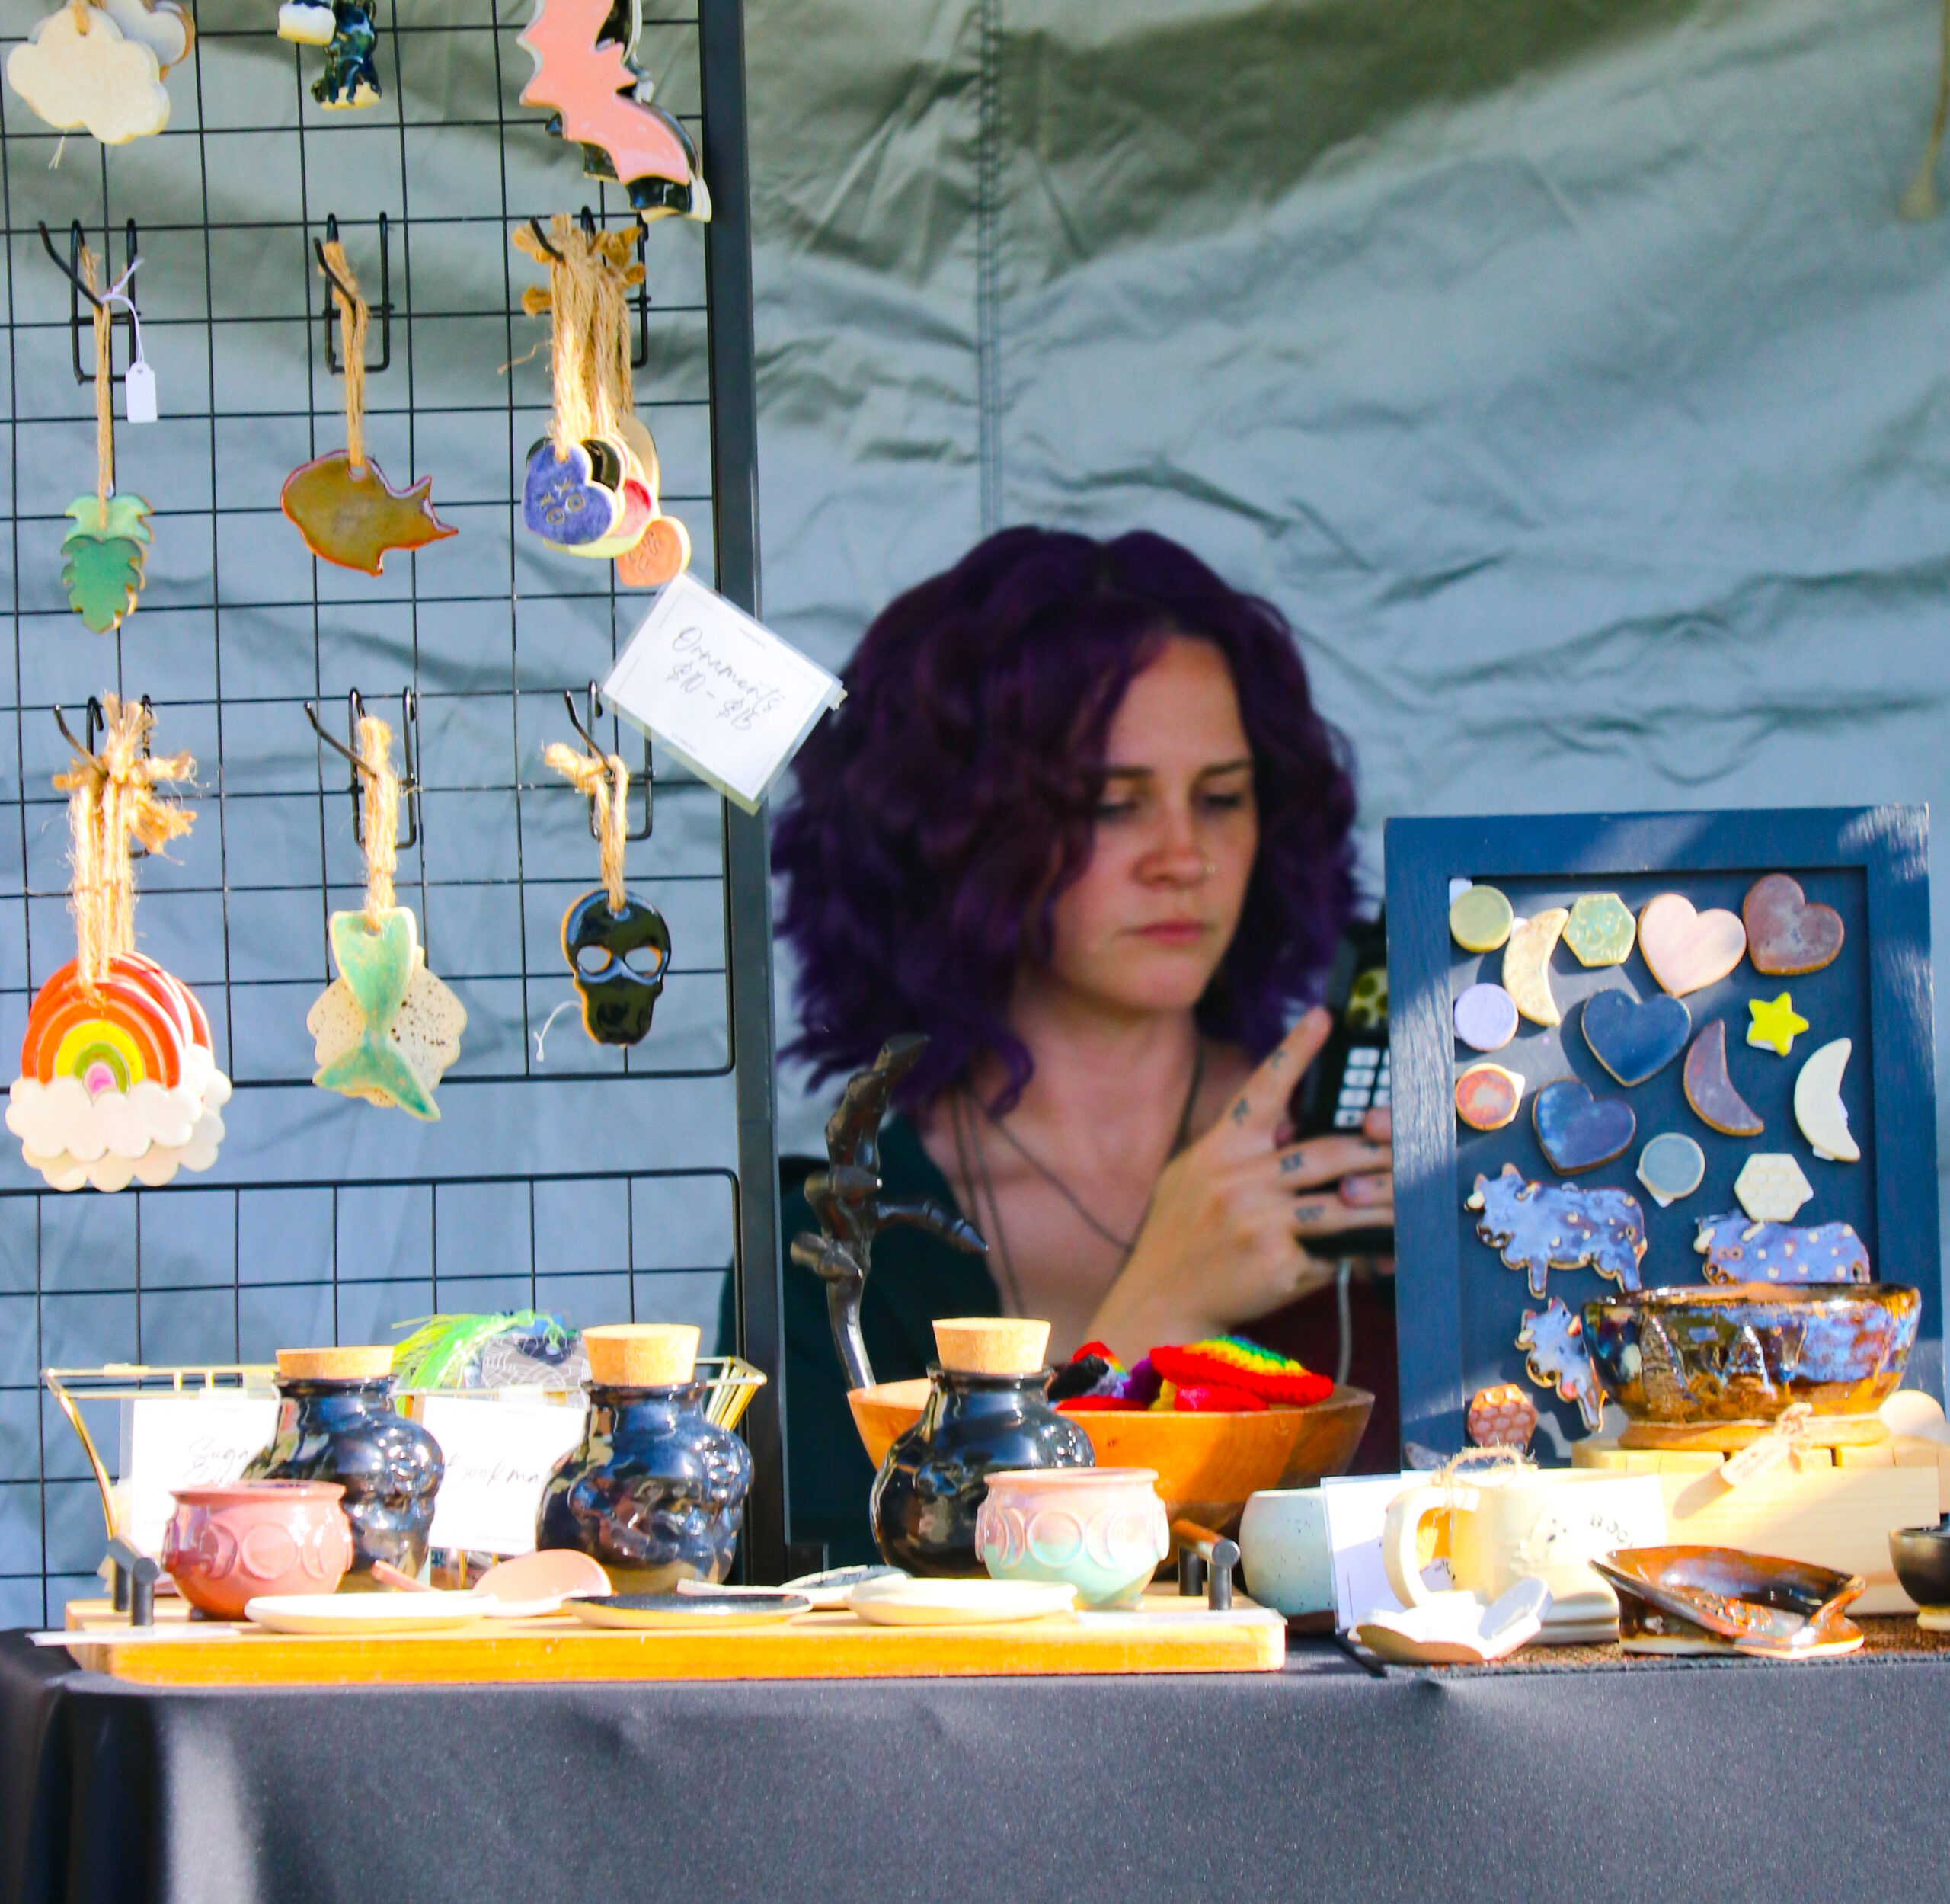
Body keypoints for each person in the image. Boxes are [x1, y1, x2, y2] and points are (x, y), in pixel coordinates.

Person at [743, 527, 1394, 1566]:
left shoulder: (1364, 1154)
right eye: (1111, 805)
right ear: (954, 831)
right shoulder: (836, 1249)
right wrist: (1153, 1314)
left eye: (1222, 797)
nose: (1183, 857)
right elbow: (832, 1633)